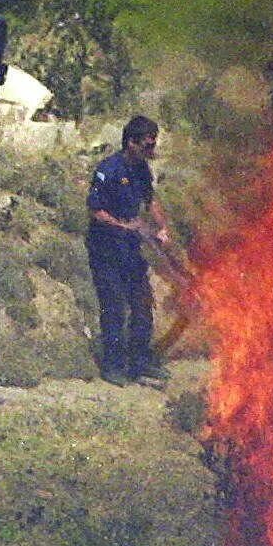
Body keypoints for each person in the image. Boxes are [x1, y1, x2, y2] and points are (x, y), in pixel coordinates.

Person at [87, 115, 172, 386]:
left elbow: (150, 200)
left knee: (142, 304)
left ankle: (140, 362)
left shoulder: (142, 170)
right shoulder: (109, 169)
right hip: (106, 249)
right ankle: (113, 366)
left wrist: (161, 227)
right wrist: (124, 226)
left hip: (131, 249)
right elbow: (95, 210)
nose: (151, 150)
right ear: (131, 143)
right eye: (147, 145)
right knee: (113, 307)